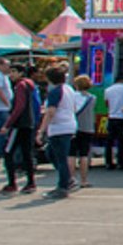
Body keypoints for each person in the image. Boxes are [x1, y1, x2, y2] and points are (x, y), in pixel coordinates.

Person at [37, 66, 83, 198]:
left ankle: (63, 185)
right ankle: (67, 178)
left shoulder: (55, 92)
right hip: (68, 124)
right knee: (51, 153)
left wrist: (41, 130)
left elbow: (51, 112)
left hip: (59, 127)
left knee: (60, 157)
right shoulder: (69, 89)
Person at [0, 70, 40, 195]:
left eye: (13, 72)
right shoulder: (31, 85)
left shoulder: (20, 86)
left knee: (7, 152)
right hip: (29, 123)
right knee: (27, 153)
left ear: (21, 73)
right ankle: (31, 182)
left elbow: (19, 106)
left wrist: (8, 124)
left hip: (19, 124)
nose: (11, 74)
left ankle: (12, 183)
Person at [69, 74, 97, 189]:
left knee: (71, 154)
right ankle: (84, 180)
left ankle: (71, 179)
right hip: (87, 127)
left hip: (73, 127)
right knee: (84, 155)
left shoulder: (72, 96)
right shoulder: (92, 98)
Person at [103, 70, 123, 170]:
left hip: (111, 117)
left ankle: (108, 162)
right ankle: (120, 162)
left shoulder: (108, 90)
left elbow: (106, 104)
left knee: (109, 141)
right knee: (122, 141)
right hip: (122, 117)